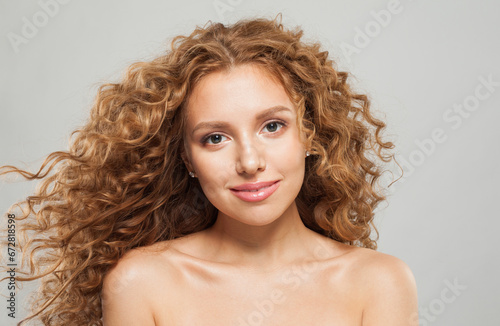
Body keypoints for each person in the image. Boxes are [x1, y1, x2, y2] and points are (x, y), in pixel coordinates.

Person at [1, 15, 417, 326]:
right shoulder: (142, 282)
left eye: (273, 126)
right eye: (215, 138)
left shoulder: (379, 282)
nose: (250, 162)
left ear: (309, 135)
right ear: (187, 160)